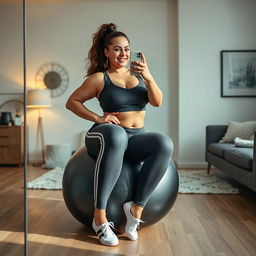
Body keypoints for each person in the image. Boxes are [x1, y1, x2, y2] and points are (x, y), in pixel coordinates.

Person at [66, 23, 173, 246]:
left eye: (126, 48)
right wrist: (98, 118)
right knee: (117, 135)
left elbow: (157, 101)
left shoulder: (140, 76)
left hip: (134, 137)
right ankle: (100, 218)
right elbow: (72, 102)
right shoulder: (99, 78)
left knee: (164, 143)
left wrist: (149, 76)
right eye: (117, 49)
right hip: (105, 136)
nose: (123, 53)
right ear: (106, 51)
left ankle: (135, 210)